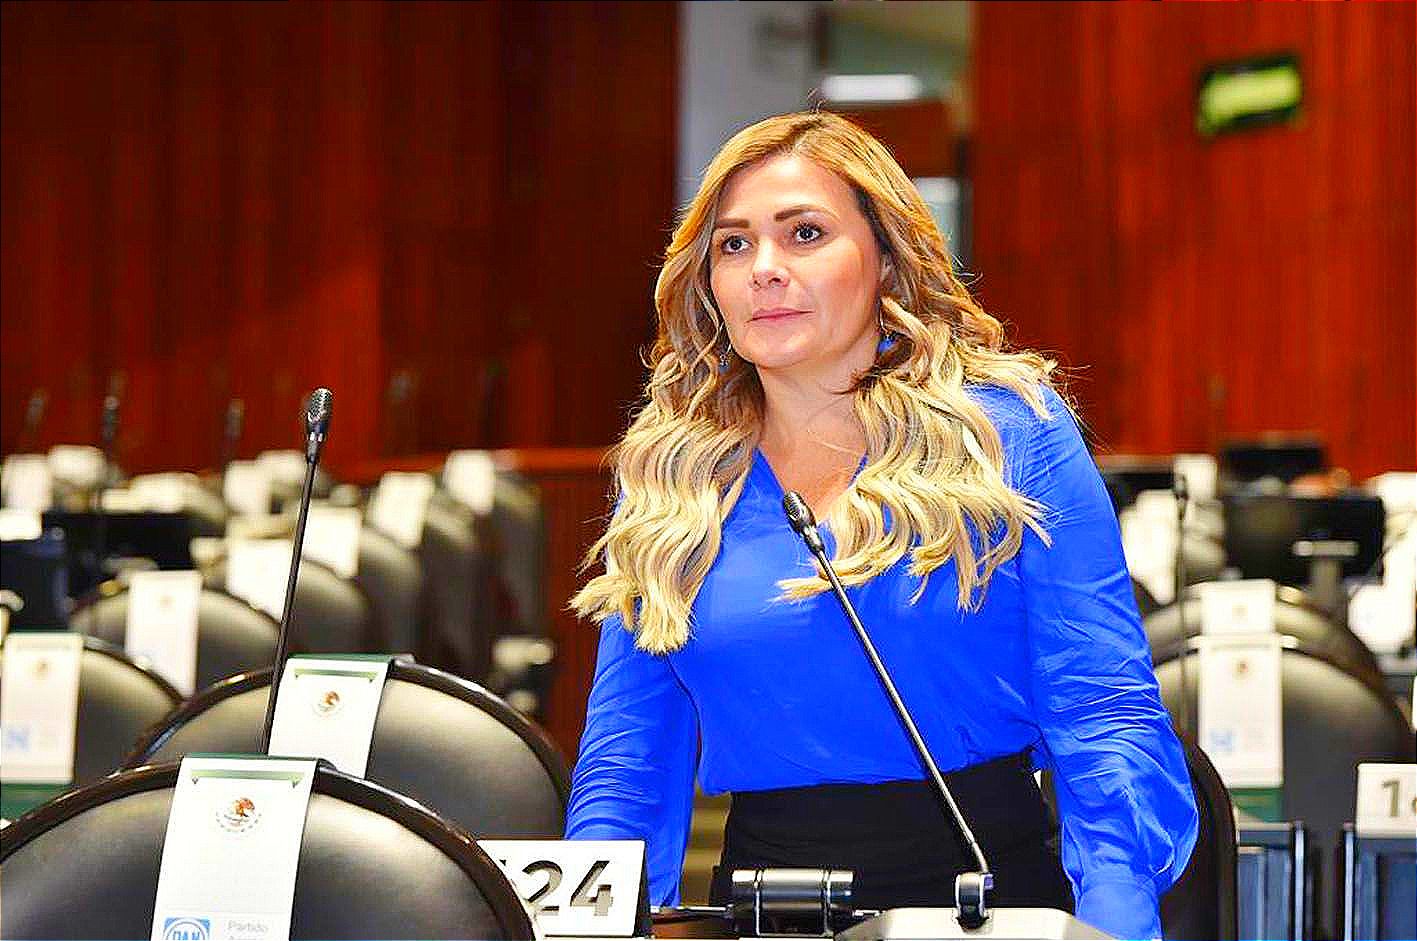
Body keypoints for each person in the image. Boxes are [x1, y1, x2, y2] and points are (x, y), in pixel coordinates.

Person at [564, 111, 1197, 940]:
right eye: (733, 244)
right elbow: (628, 753)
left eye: (804, 233)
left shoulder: (1008, 434)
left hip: (983, 898)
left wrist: (1114, 922)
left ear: (886, 259)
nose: (764, 268)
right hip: (763, 906)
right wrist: (592, 927)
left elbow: (1101, 707)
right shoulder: (675, 471)